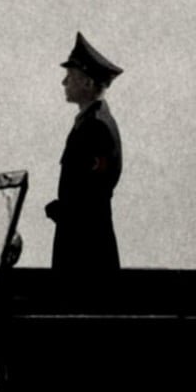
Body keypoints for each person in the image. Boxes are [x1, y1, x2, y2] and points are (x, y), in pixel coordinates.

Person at [45, 31, 124, 275]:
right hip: (80, 241)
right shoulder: (88, 123)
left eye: (70, 77)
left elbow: (94, 192)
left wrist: (64, 210)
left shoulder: (96, 127)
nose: (64, 83)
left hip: (87, 248)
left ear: (88, 83)